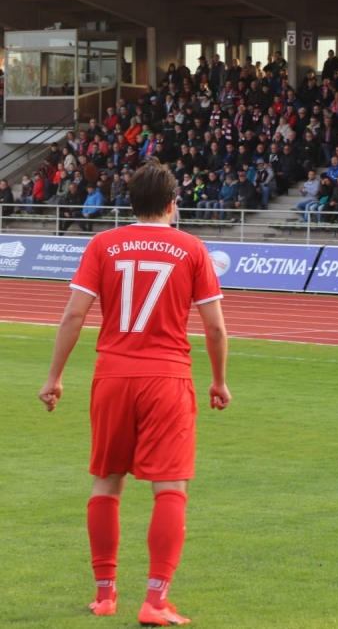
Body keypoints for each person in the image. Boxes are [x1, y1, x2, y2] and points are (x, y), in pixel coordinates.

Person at [37, 161, 231, 627]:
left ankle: (105, 595)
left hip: (112, 377)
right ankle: (156, 601)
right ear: (172, 204)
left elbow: (74, 315)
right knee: (170, 486)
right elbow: (215, 327)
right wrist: (219, 380)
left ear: (131, 203)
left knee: (107, 481)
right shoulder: (191, 248)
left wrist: (54, 377)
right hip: (167, 379)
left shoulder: (103, 244)